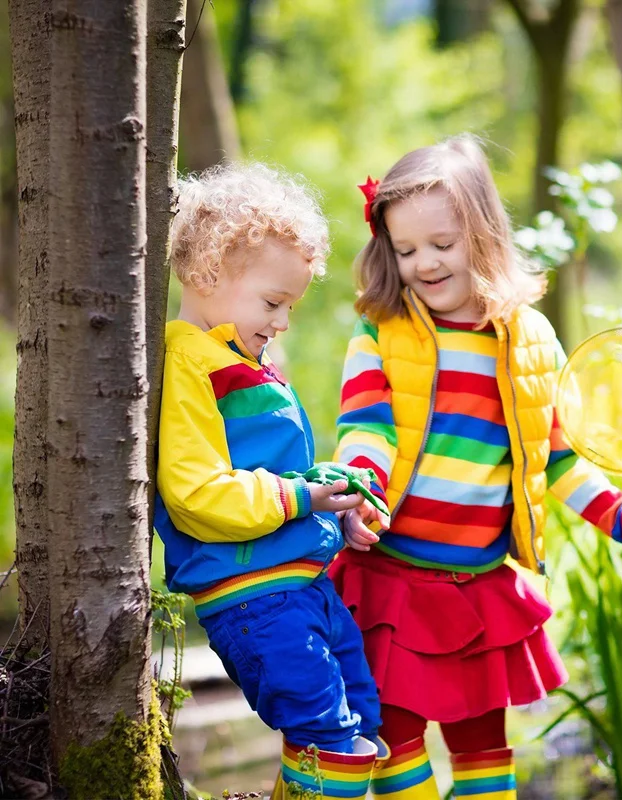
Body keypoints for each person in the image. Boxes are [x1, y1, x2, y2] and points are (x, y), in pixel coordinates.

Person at [330, 135, 622, 800]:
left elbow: (559, 460)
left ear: (483, 234)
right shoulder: (382, 332)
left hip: (480, 587)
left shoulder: (530, 343)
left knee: (485, 747)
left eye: (441, 244)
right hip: (392, 580)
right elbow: (364, 430)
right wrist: (358, 496)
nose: (423, 263)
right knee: (390, 736)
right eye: (405, 251)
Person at [155, 163, 388, 798]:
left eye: (288, 306)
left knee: (362, 723)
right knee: (328, 738)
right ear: (207, 273)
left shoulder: (239, 361)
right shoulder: (191, 366)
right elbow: (197, 495)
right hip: (255, 598)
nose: (282, 321)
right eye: (273, 302)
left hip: (303, 588)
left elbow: (272, 474)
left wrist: (330, 499)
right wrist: (300, 497)